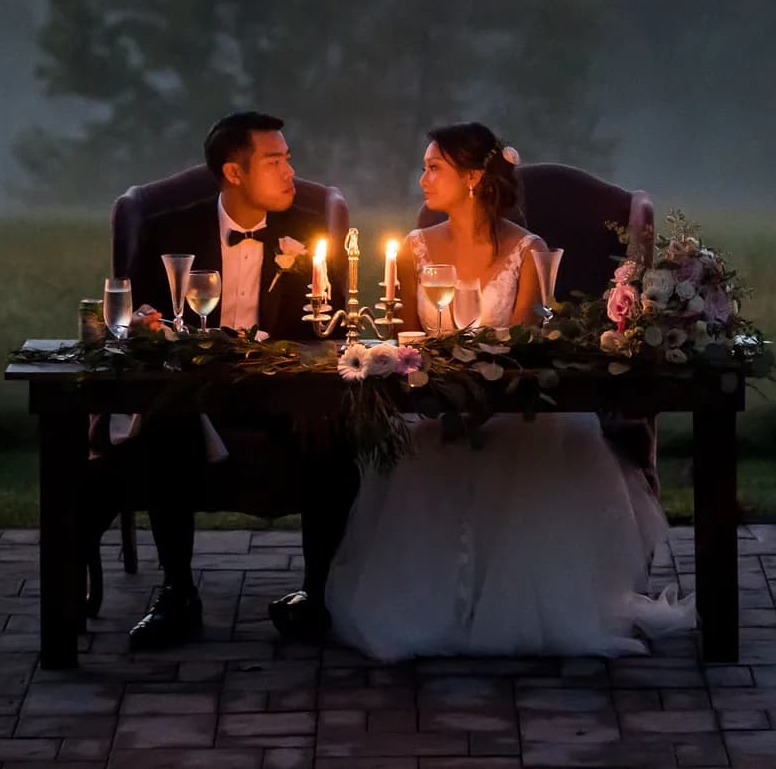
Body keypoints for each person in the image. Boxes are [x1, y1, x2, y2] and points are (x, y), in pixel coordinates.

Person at [323, 121, 692, 660]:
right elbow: (404, 340)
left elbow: (524, 345)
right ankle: (438, 604)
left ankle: (518, 605)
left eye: (434, 168)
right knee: (417, 449)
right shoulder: (413, 249)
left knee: (538, 442)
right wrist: (436, 391)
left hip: (513, 402)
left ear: (473, 178)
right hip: (435, 401)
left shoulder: (527, 250)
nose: (422, 178)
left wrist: (479, 401)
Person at [102, 111, 358, 649]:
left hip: (282, 389)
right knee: (167, 426)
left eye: (289, 159)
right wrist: (149, 324)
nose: (290, 172)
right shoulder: (169, 231)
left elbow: (332, 325)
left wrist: (316, 393)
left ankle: (315, 593)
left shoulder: (311, 230)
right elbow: (145, 324)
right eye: (275, 161)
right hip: (196, 390)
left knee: (334, 438)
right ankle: (177, 594)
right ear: (234, 172)